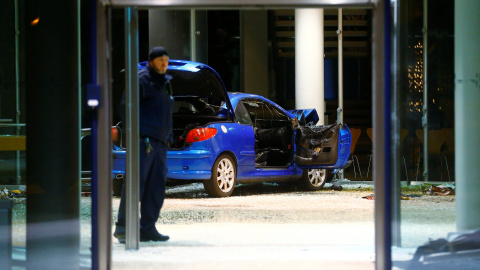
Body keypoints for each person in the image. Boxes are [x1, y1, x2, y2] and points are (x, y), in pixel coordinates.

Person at [114, 46, 174, 243]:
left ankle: (147, 228)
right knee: (135, 184)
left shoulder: (165, 83)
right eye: (160, 60)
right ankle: (123, 227)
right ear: (150, 62)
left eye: (166, 60)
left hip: (160, 142)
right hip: (144, 140)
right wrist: (138, 134)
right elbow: (126, 108)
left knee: (156, 186)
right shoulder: (141, 81)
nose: (164, 63)